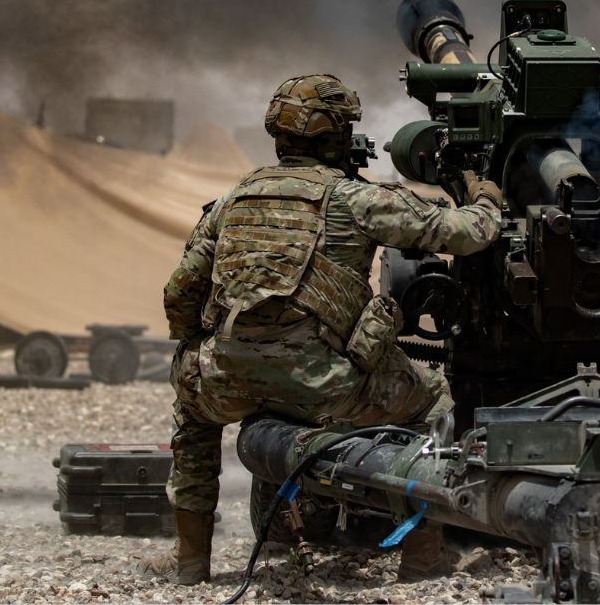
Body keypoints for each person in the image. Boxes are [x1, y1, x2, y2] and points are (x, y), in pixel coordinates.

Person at [139, 73, 504, 585]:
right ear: (337, 137)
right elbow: (469, 233)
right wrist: (485, 194)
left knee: (192, 408)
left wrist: (208, 348)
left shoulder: (232, 201)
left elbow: (180, 293)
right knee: (435, 403)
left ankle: (192, 561)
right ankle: (422, 559)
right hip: (326, 386)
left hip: (230, 381)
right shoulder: (356, 200)